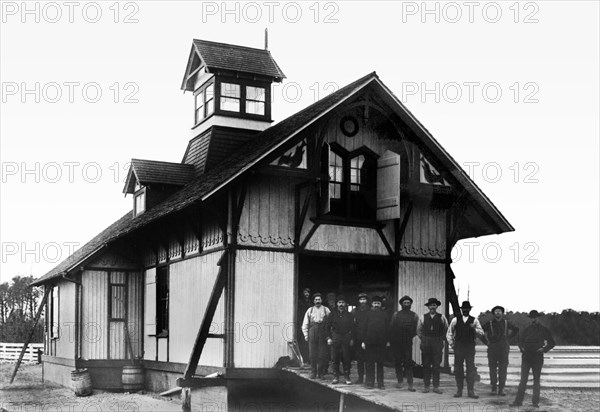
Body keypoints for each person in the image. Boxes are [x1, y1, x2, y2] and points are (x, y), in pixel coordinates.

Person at [510, 310, 555, 408]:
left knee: (536, 380)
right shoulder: (526, 329)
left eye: (535, 317)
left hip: (538, 357)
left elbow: (552, 343)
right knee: (523, 380)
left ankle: (535, 403)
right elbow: (520, 340)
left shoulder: (544, 329)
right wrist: (522, 348)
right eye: (532, 318)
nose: (534, 319)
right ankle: (518, 402)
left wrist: (543, 349)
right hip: (526, 357)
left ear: (538, 318)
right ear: (530, 319)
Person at [447, 301, 485, 399]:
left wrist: (474, 329)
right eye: (464, 309)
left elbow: (481, 333)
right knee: (458, 369)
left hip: (469, 347)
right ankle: (459, 390)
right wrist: (452, 344)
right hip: (459, 347)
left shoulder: (475, 320)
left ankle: (470, 391)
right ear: (461, 309)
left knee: (470, 369)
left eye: (467, 309)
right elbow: (449, 333)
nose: (465, 310)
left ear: (470, 309)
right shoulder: (455, 320)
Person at [483, 305, 519, 396]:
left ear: (502, 313)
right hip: (492, 348)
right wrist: (486, 341)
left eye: (499, 311)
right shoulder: (489, 323)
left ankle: (501, 388)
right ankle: (494, 388)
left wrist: (508, 338)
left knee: (503, 369)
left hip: (503, 348)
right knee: (492, 369)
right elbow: (480, 331)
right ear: (493, 313)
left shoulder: (507, 323)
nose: (498, 312)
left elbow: (516, 329)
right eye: (496, 311)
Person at [417, 297, 448, 394]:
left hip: (437, 342)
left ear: (437, 306)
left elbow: (446, 329)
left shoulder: (442, 317)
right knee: (426, 365)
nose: (432, 307)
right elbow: (418, 330)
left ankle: (436, 387)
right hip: (426, 342)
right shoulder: (423, 317)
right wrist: (424, 339)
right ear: (428, 307)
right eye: (431, 305)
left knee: (436, 365)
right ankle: (426, 386)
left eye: (434, 305)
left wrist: (441, 339)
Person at [389, 295, 419, 391]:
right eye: (404, 303)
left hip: (407, 343)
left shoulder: (414, 315)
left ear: (410, 304)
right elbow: (391, 328)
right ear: (401, 304)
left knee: (408, 363)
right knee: (398, 362)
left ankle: (410, 383)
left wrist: (410, 336)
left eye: (408, 303)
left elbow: (416, 329)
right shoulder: (396, 315)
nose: (406, 304)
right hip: (397, 343)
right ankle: (400, 381)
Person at [361, 296, 389, 389]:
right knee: (370, 363)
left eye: (378, 303)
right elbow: (363, 328)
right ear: (372, 304)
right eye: (375, 303)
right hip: (370, 342)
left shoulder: (385, 314)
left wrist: (388, 340)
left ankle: (380, 383)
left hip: (381, 342)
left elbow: (388, 328)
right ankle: (370, 382)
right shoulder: (367, 314)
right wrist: (363, 341)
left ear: (381, 305)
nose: (376, 305)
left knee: (380, 363)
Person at [325, 295, 354, 385]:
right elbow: (327, 327)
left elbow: (353, 328)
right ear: (337, 304)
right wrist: (328, 338)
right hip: (335, 337)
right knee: (335, 358)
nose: (341, 304)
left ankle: (347, 377)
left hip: (346, 338)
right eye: (339, 302)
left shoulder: (349, 315)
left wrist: (352, 338)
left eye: (343, 302)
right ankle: (336, 377)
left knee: (346, 358)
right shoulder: (332, 314)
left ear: (345, 304)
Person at [302, 292, 331, 379]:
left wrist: (329, 336)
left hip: (323, 332)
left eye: (319, 299)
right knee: (312, 354)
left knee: (322, 354)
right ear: (313, 301)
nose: (317, 301)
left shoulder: (326, 310)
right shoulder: (310, 310)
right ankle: (313, 372)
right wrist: (306, 335)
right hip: (312, 332)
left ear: (321, 300)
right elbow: (305, 324)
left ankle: (321, 373)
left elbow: (330, 323)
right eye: (316, 300)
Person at [351, 292, 369, 384]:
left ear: (366, 300)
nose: (362, 301)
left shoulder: (370, 310)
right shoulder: (354, 311)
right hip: (358, 338)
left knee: (369, 360)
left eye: (364, 299)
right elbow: (351, 324)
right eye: (361, 299)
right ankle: (360, 378)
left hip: (369, 337)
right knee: (360, 360)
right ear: (358, 301)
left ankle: (369, 379)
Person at [297, 287, 312, 365]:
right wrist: (300, 324)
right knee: (303, 342)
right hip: (302, 323)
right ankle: (305, 359)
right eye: (305, 292)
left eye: (308, 293)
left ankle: (309, 359)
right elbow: (299, 314)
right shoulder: (300, 302)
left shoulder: (311, 303)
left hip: (310, 324)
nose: (307, 294)